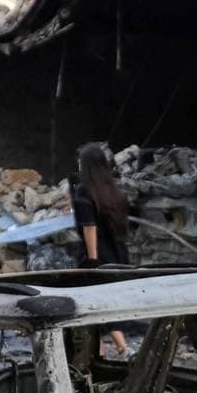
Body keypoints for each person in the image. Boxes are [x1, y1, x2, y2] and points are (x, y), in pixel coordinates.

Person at [70, 142, 131, 356]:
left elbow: (89, 227)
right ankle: (112, 348)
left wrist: (93, 260)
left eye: (80, 162)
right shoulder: (113, 190)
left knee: (93, 304)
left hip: (98, 255)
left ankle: (108, 349)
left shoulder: (84, 190)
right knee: (109, 302)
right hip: (118, 254)